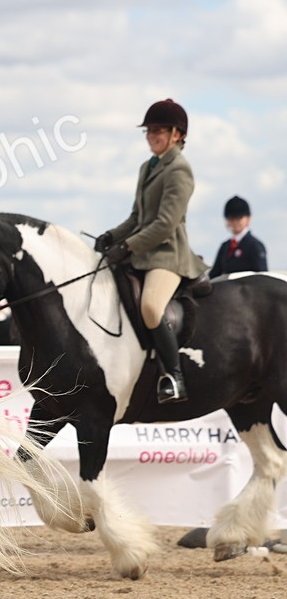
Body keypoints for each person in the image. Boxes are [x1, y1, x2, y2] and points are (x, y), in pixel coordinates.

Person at [95, 98, 207, 404]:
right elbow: (136, 218)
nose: (151, 136)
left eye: (158, 130)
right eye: (148, 131)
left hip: (168, 256)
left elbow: (164, 225)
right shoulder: (148, 167)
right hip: (143, 252)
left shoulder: (179, 170)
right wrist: (111, 236)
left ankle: (174, 376)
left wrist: (128, 246)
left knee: (150, 307)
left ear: (177, 134)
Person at [208, 195, 267, 278]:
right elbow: (214, 275)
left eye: (239, 218)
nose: (235, 222)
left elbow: (262, 278)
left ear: (248, 218)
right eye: (231, 218)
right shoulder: (225, 246)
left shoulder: (255, 245)